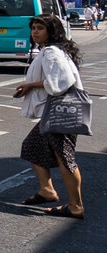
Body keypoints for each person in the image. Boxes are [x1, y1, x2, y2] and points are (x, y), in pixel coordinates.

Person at [13, 13, 85, 219]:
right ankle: (47, 190)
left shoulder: (52, 52)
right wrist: (30, 87)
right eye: (33, 28)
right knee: (32, 145)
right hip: (53, 112)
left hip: (61, 112)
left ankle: (75, 206)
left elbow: (61, 82)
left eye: (40, 28)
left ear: (51, 31)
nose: (35, 32)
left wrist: (30, 85)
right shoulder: (50, 50)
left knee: (65, 158)